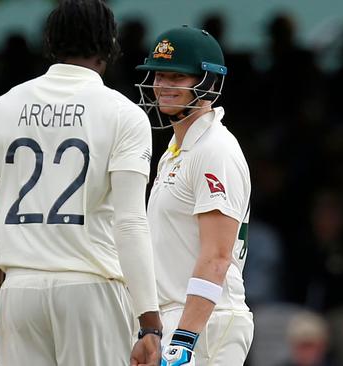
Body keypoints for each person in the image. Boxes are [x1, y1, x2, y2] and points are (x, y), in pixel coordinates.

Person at [0, 0, 162, 365]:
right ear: (110, 44)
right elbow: (131, 223)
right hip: (90, 288)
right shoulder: (123, 114)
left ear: (50, 42)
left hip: (19, 291)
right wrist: (149, 321)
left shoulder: (0, 108)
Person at [135, 25, 253, 365]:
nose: (162, 86)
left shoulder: (215, 149)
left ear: (208, 83)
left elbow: (217, 256)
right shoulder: (176, 150)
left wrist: (184, 339)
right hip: (174, 317)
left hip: (207, 321)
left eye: (177, 77)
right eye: (159, 76)